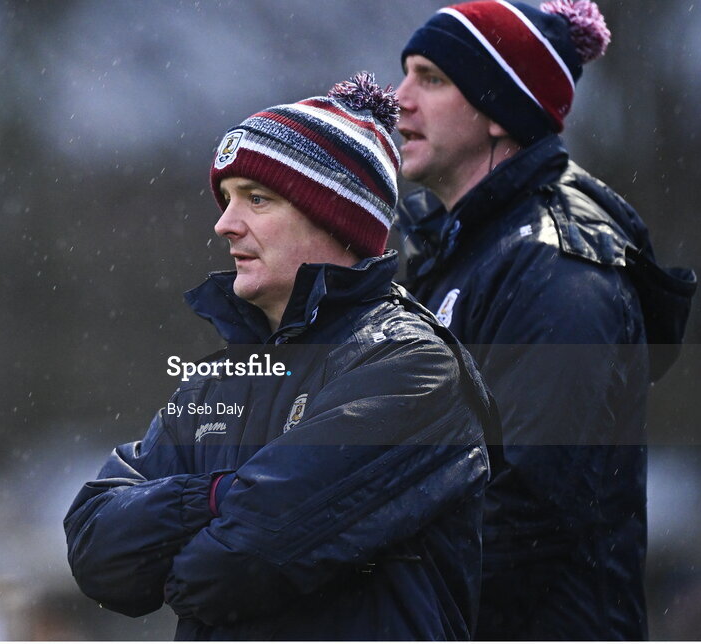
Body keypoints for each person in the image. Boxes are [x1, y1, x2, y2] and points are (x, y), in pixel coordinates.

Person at [64, 74, 499, 640]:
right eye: (228, 200)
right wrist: (217, 496)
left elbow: (231, 566)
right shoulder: (216, 380)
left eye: (257, 198)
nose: (225, 224)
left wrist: (175, 531)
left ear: (333, 217)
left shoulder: (413, 366)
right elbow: (97, 550)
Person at [394, 0, 697, 639]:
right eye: (407, 73)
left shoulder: (560, 272)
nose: (401, 99)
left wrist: (390, 611)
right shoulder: (459, 253)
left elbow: (529, 510)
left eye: (432, 78)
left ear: (499, 110)